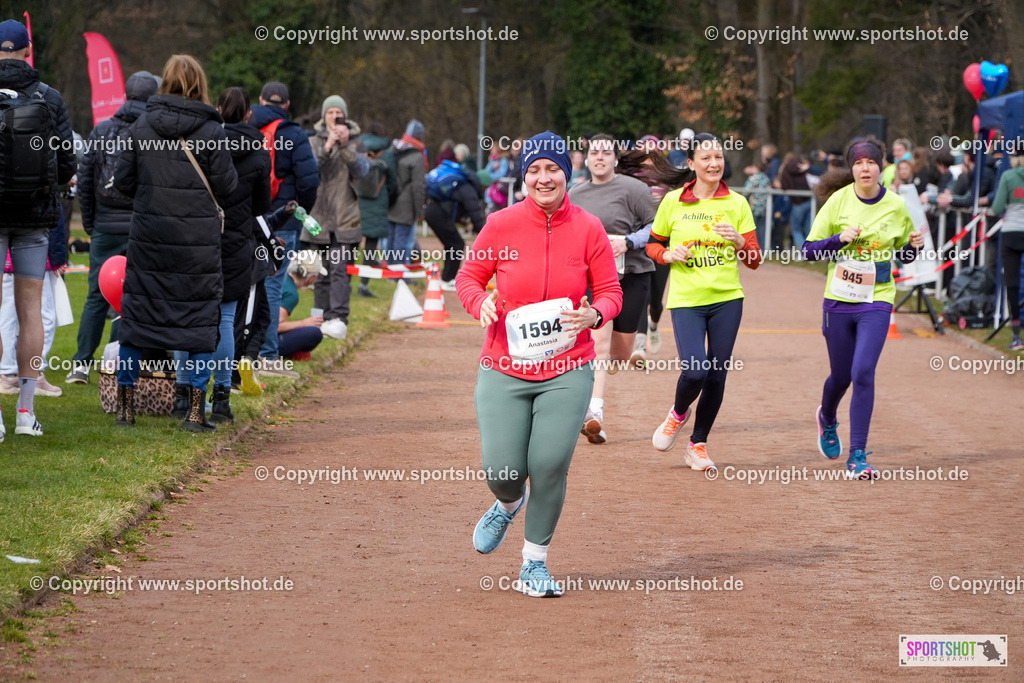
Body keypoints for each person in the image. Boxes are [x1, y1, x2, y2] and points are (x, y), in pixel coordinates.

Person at [455, 131, 622, 598]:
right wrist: (478, 304)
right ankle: (508, 503)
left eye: (552, 169)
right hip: (504, 365)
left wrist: (595, 313)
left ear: (566, 174)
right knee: (503, 470)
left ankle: (534, 563)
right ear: (523, 175)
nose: (543, 178)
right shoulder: (501, 224)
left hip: (568, 367)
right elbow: (468, 277)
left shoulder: (588, 228)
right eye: (534, 170)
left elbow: (611, 291)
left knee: (548, 462)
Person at [112, 54, 238, 431]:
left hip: (150, 239)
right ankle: (196, 413)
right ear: (200, 83)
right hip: (197, 244)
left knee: (136, 320)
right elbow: (228, 187)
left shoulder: (141, 126)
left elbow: (122, 184)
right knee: (200, 324)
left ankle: (125, 410)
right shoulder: (212, 131)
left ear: (163, 81)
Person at [802, 137, 924, 478]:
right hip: (839, 300)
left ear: (880, 166)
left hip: (877, 299)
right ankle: (827, 416)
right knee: (841, 376)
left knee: (863, 372)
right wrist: (837, 240)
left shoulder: (896, 206)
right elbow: (808, 250)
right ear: (851, 168)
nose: (864, 168)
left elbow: (905, 254)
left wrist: (914, 246)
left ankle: (857, 455)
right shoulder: (837, 203)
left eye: (870, 162)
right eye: (858, 163)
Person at [646, 133, 762, 470]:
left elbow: (754, 260)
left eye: (719, 158)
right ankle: (678, 413)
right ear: (691, 163)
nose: (714, 164)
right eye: (707, 158)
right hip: (687, 301)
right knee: (695, 370)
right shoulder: (673, 202)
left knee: (717, 375)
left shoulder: (737, 203)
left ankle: (698, 444)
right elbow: (653, 245)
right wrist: (668, 253)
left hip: (727, 299)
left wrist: (740, 240)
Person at [173, 86, 271, 424]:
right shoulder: (258, 152)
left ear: (217, 109)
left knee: (189, 317)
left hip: (199, 238)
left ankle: (183, 395)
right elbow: (262, 205)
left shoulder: (201, 142)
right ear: (248, 114)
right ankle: (222, 398)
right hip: (236, 241)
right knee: (227, 320)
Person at [0, 19, 76, 437]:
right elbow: (67, 165)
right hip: (35, 217)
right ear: (29, 51)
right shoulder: (50, 97)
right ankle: (26, 413)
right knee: (30, 311)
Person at [67, 71, 160, 385]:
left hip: (105, 227)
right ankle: (125, 360)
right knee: (136, 296)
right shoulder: (153, 132)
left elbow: (86, 182)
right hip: (141, 228)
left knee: (96, 296)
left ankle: (81, 364)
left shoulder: (101, 130)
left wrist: (92, 225)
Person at [568, 134, 656, 443]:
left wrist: (628, 241)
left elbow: (656, 228)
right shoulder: (575, 194)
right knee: (599, 346)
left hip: (633, 273)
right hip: (592, 279)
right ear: (587, 158)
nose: (600, 156)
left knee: (620, 353)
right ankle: (594, 414)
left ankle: (602, 384)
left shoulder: (635, 189)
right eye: (595, 152)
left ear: (615, 158)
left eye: (607, 152)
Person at [249, 81, 319, 374]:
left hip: (249, 220)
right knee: (273, 285)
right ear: (287, 105)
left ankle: (242, 352)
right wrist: (300, 211)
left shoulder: (244, 126)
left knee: (247, 286)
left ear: (262, 101)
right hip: (284, 220)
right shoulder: (294, 134)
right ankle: (266, 354)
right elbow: (309, 180)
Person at [616, 149, 694, 359]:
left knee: (656, 299)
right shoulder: (630, 180)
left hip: (662, 243)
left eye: (653, 157)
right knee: (642, 291)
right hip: (640, 243)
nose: (648, 162)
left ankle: (654, 324)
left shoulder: (667, 180)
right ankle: (639, 346)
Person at [304, 95, 369, 341]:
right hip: (318, 216)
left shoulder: (356, 144)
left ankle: (339, 319)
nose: (334, 116)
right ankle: (320, 319)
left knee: (340, 270)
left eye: (337, 113)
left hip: (345, 217)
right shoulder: (312, 141)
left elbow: (362, 170)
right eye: (329, 112)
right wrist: (329, 144)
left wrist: (344, 145)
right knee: (319, 272)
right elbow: (310, 170)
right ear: (323, 116)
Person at [424, 161, 486, 289]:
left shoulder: (462, 185)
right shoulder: (469, 189)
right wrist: (486, 233)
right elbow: (476, 214)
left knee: (452, 244)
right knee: (457, 244)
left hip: (432, 211)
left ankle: (446, 278)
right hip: (438, 214)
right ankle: (448, 279)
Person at [355, 122, 397, 298]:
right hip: (378, 202)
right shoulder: (386, 153)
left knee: (351, 245)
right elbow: (394, 181)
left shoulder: (357, 147)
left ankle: (345, 282)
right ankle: (363, 285)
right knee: (371, 247)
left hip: (356, 201)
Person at [990, 148, 1024, 350]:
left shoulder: (1009, 176)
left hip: (1011, 233)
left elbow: (996, 207)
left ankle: (1016, 336)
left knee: (1012, 284)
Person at [387, 120, 427, 265]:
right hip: (406, 206)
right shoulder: (417, 156)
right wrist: (420, 210)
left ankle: (390, 274)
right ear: (420, 137)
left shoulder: (393, 150)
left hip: (391, 200)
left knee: (391, 239)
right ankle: (399, 275)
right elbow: (418, 186)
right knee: (402, 242)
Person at [278, 250, 326, 360]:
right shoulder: (291, 294)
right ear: (311, 277)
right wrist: (304, 323)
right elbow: (275, 326)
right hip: (263, 342)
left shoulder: (281, 276)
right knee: (315, 333)